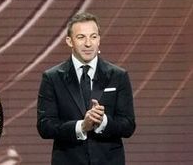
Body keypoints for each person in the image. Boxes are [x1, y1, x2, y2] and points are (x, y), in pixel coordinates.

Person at [37, 12, 136, 164]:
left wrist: (102, 122)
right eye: (81, 37)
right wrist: (82, 126)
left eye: (93, 37)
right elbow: (45, 126)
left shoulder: (118, 76)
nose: (88, 43)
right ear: (69, 41)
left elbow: (128, 126)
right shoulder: (52, 78)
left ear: (99, 40)